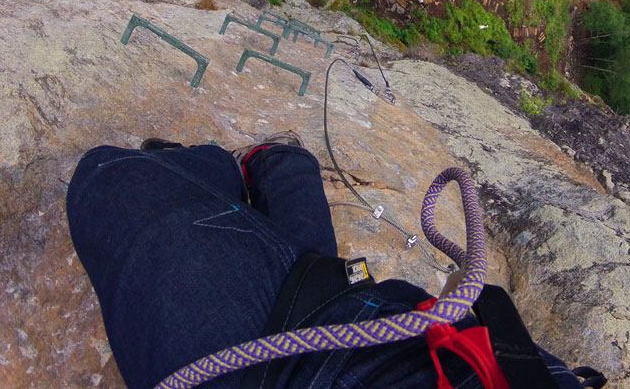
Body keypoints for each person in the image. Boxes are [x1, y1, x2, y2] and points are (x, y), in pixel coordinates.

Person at [67, 133, 599, 388]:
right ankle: (276, 164)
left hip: (288, 364)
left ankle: (259, 165)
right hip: (365, 328)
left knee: (103, 177)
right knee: (317, 276)